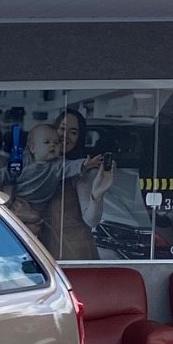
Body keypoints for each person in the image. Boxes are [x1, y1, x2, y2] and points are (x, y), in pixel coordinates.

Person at [45, 108, 114, 260]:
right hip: (43, 249)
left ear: (79, 138)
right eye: (62, 128)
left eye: (73, 132)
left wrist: (97, 195)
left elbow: (91, 220)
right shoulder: (38, 164)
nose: (65, 136)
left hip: (73, 252)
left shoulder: (82, 170)